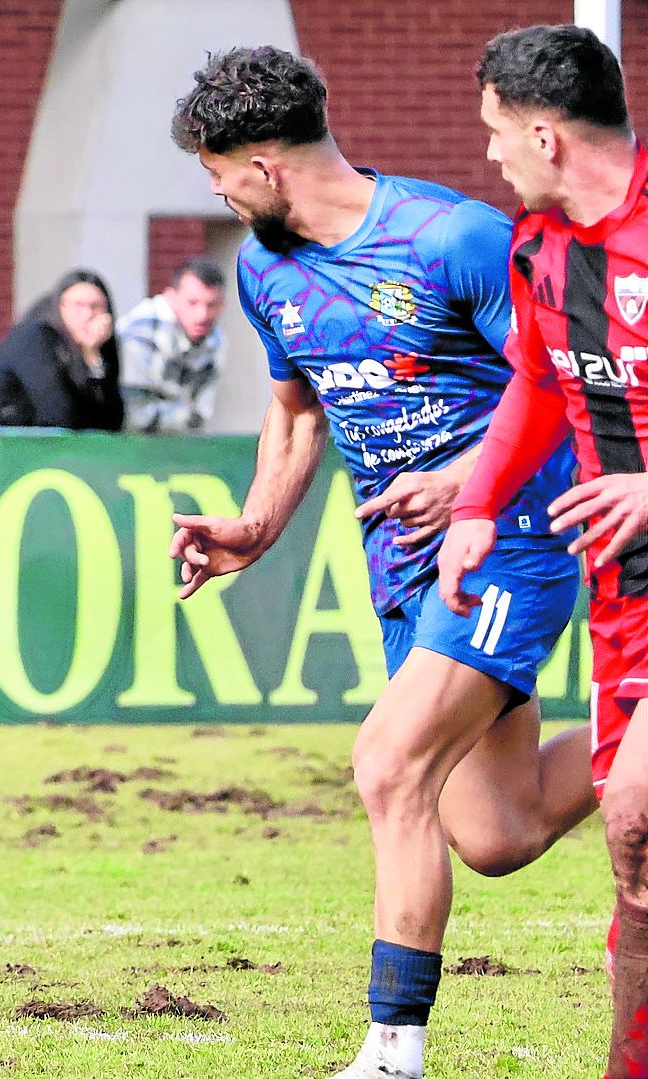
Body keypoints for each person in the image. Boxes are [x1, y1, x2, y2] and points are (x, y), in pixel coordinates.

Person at [167, 47, 594, 1079]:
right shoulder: (265, 267)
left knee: (387, 762)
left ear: (265, 164)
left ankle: (391, 1053)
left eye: (218, 170)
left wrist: (472, 481)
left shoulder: (453, 237)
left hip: (510, 541)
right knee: (498, 830)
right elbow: (293, 408)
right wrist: (260, 524)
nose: (214, 191)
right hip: (400, 563)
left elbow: (572, 391)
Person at [438, 26, 648, 1078]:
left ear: (543, 133)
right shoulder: (539, 249)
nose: (489, 157)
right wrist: (477, 502)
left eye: (493, 134)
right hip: (623, 597)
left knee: (640, 807)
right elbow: (534, 383)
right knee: (634, 852)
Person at [0, 268, 123, 465]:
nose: (87, 315)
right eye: (78, 305)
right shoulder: (36, 338)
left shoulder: (101, 352)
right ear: (59, 307)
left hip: (29, 454)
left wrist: (92, 360)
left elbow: (112, 422)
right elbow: (58, 414)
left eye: (96, 306)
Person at [118, 258, 228, 433]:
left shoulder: (216, 339)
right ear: (171, 297)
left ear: (222, 305)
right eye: (192, 303)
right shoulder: (141, 330)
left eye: (211, 305)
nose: (202, 315)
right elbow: (135, 416)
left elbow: (201, 414)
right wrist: (186, 417)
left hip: (175, 443)